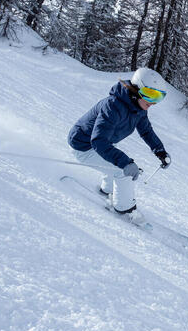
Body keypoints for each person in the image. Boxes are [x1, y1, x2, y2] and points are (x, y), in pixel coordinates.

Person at [68, 67, 171, 221]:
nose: (153, 102)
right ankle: (125, 210)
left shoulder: (139, 108)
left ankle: (107, 191)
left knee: (114, 161)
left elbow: (146, 131)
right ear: (136, 90)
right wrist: (125, 163)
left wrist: (160, 151)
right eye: (150, 94)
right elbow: (98, 141)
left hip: (103, 143)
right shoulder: (113, 106)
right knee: (123, 171)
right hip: (84, 146)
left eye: (158, 97)